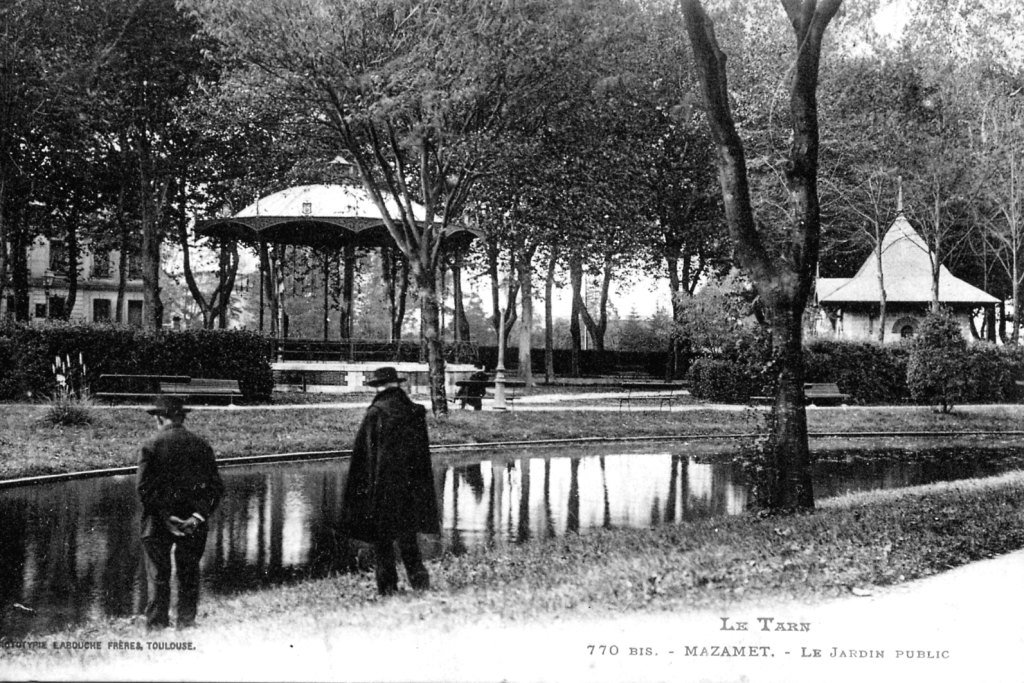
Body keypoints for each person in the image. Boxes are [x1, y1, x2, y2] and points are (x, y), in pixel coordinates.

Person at [340, 366, 441, 595]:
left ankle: (387, 589)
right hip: (411, 488)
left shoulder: (376, 413)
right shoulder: (414, 412)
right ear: (397, 384)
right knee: (408, 539)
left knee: (383, 542)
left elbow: (366, 459)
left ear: (378, 386)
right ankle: (420, 582)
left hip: (383, 489)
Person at [137, 395, 224, 630]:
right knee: (189, 573)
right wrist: (197, 517)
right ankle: (186, 622)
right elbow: (215, 488)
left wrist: (167, 517)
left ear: (159, 417)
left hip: (157, 522)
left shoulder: (151, 446)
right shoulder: (202, 445)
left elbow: (144, 489)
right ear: (182, 417)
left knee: (158, 575)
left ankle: (156, 624)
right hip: (193, 523)